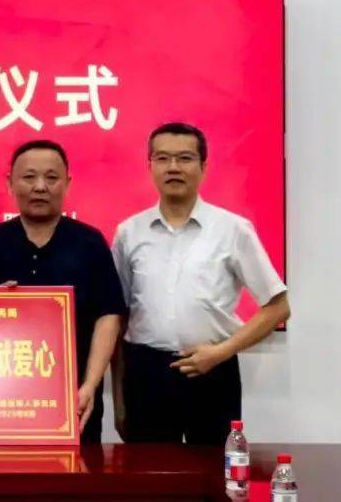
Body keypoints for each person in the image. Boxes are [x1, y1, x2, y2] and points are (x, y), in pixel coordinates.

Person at [110, 122, 290, 446]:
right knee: (148, 473)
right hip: (146, 371)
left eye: (185, 158)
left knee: (212, 471)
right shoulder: (129, 233)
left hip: (214, 369)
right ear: (150, 166)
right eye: (163, 158)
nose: (173, 167)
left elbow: (278, 307)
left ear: (204, 167)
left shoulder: (232, 229)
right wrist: (119, 396)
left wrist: (222, 352)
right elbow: (117, 317)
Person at [0, 140, 126, 443]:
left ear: (67, 183)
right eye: (29, 177)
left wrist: (90, 384)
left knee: (77, 471)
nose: (40, 186)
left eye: (51, 177)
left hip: (74, 401)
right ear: (10, 183)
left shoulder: (89, 243)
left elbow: (108, 315)